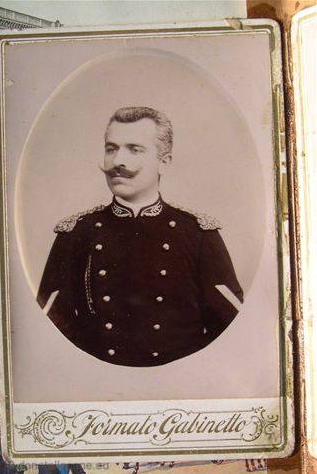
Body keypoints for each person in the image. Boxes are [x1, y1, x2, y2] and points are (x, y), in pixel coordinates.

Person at [37, 106, 243, 367]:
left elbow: (233, 328)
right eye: (111, 149)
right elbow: (49, 326)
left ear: (164, 162)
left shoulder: (198, 234)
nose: (117, 162)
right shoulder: (76, 234)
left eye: (134, 149)